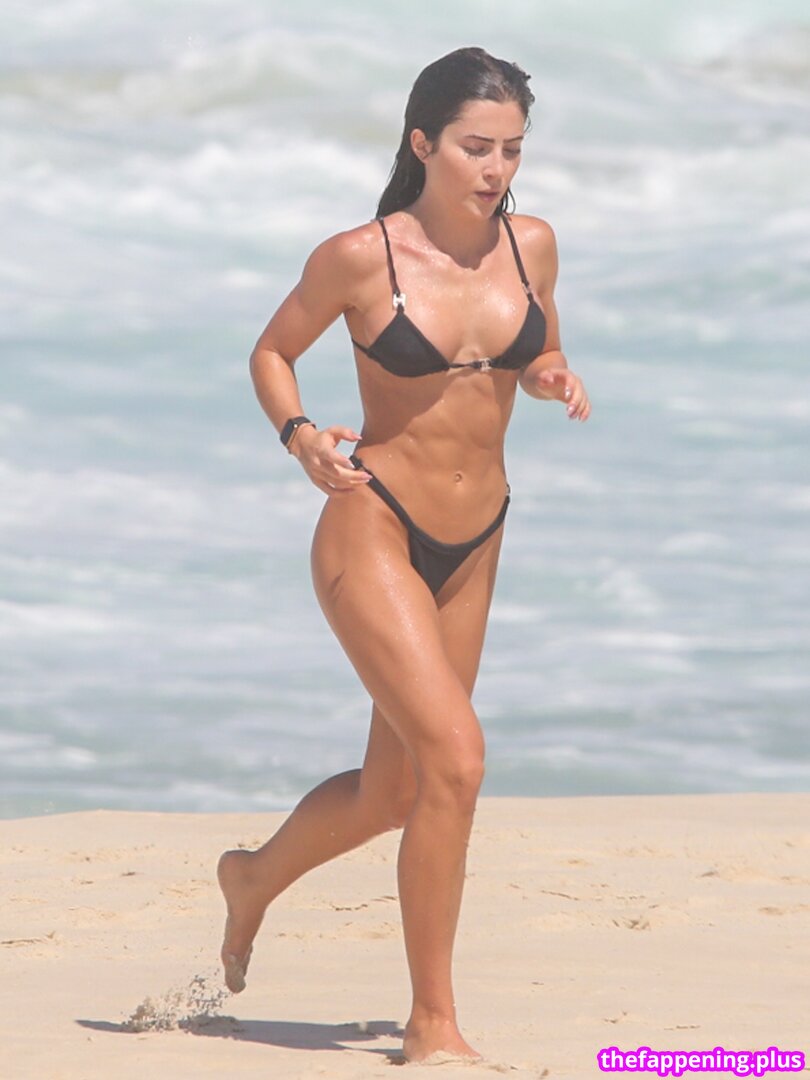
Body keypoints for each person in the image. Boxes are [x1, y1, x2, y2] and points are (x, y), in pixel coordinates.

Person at [217, 45, 590, 1064]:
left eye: (512, 150)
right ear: (423, 144)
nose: (497, 169)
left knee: (397, 792)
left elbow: (539, 345)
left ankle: (251, 878)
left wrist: (552, 374)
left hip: (478, 536)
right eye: (476, 147)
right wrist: (301, 437)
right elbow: (271, 351)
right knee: (457, 761)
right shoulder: (359, 257)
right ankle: (433, 1024)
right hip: (373, 522)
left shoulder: (534, 246)